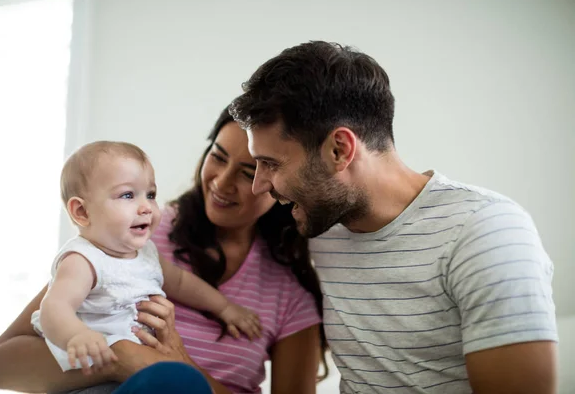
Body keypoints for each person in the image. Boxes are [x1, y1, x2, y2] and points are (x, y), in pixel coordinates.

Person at [229, 40, 558, 394]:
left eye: (271, 164)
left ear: (339, 150)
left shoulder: (485, 233)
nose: (259, 185)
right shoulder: (318, 219)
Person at [0, 110, 327, 394]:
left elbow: (179, 282)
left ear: (283, 186)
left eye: (248, 172)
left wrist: (184, 366)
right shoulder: (122, 242)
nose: (221, 182)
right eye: (216, 157)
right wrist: (121, 357)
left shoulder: (291, 298)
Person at [30, 140, 261, 374]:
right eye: (128, 195)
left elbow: (181, 282)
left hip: (139, 368)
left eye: (150, 194)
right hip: (96, 373)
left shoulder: (146, 252)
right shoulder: (83, 260)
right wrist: (77, 336)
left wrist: (223, 307)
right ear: (82, 212)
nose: (146, 207)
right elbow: (54, 306)